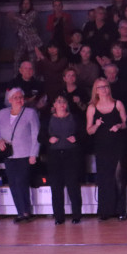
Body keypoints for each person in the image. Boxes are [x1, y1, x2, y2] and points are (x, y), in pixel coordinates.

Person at [0, 87, 40, 223]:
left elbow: (35, 134)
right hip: (9, 154)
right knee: (13, 183)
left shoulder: (30, 113)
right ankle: (20, 212)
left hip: (25, 153)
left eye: (21, 97)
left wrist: (34, 154)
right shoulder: (2, 113)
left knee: (21, 182)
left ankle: (26, 211)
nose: (19, 100)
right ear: (9, 100)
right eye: (16, 97)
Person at [85, 78, 127, 221]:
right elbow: (89, 131)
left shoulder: (118, 104)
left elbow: (126, 123)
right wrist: (97, 125)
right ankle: (105, 210)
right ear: (96, 90)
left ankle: (121, 210)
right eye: (100, 87)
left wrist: (119, 126)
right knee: (104, 177)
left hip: (117, 144)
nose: (103, 89)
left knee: (119, 177)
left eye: (105, 86)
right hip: (102, 145)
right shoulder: (92, 107)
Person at [46, 96, 83, 225]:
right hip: (54, 155)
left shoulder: (74, 117)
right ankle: (58, 217)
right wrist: (48, 140)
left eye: (64, 102)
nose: (61, 104)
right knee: (56, 187)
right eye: (59, 102)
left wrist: (76, 138)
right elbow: (42, 136)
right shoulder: (48, 119)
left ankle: (76, 215)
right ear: (54, 105)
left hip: (71, 154)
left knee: (73, 185)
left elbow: (82, 134)